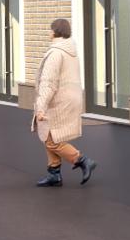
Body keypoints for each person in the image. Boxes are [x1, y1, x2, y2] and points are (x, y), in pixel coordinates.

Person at [31, 18, 96, 188]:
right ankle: (54, 174)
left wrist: (41, 107)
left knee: (51, 140)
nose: (49, 32)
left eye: (50, 29)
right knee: (48, 135)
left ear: (55, 32)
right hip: (69, 98)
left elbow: (48, 83)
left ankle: (82, 160)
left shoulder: (56, 53)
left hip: (58, 101)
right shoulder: (70, 51)